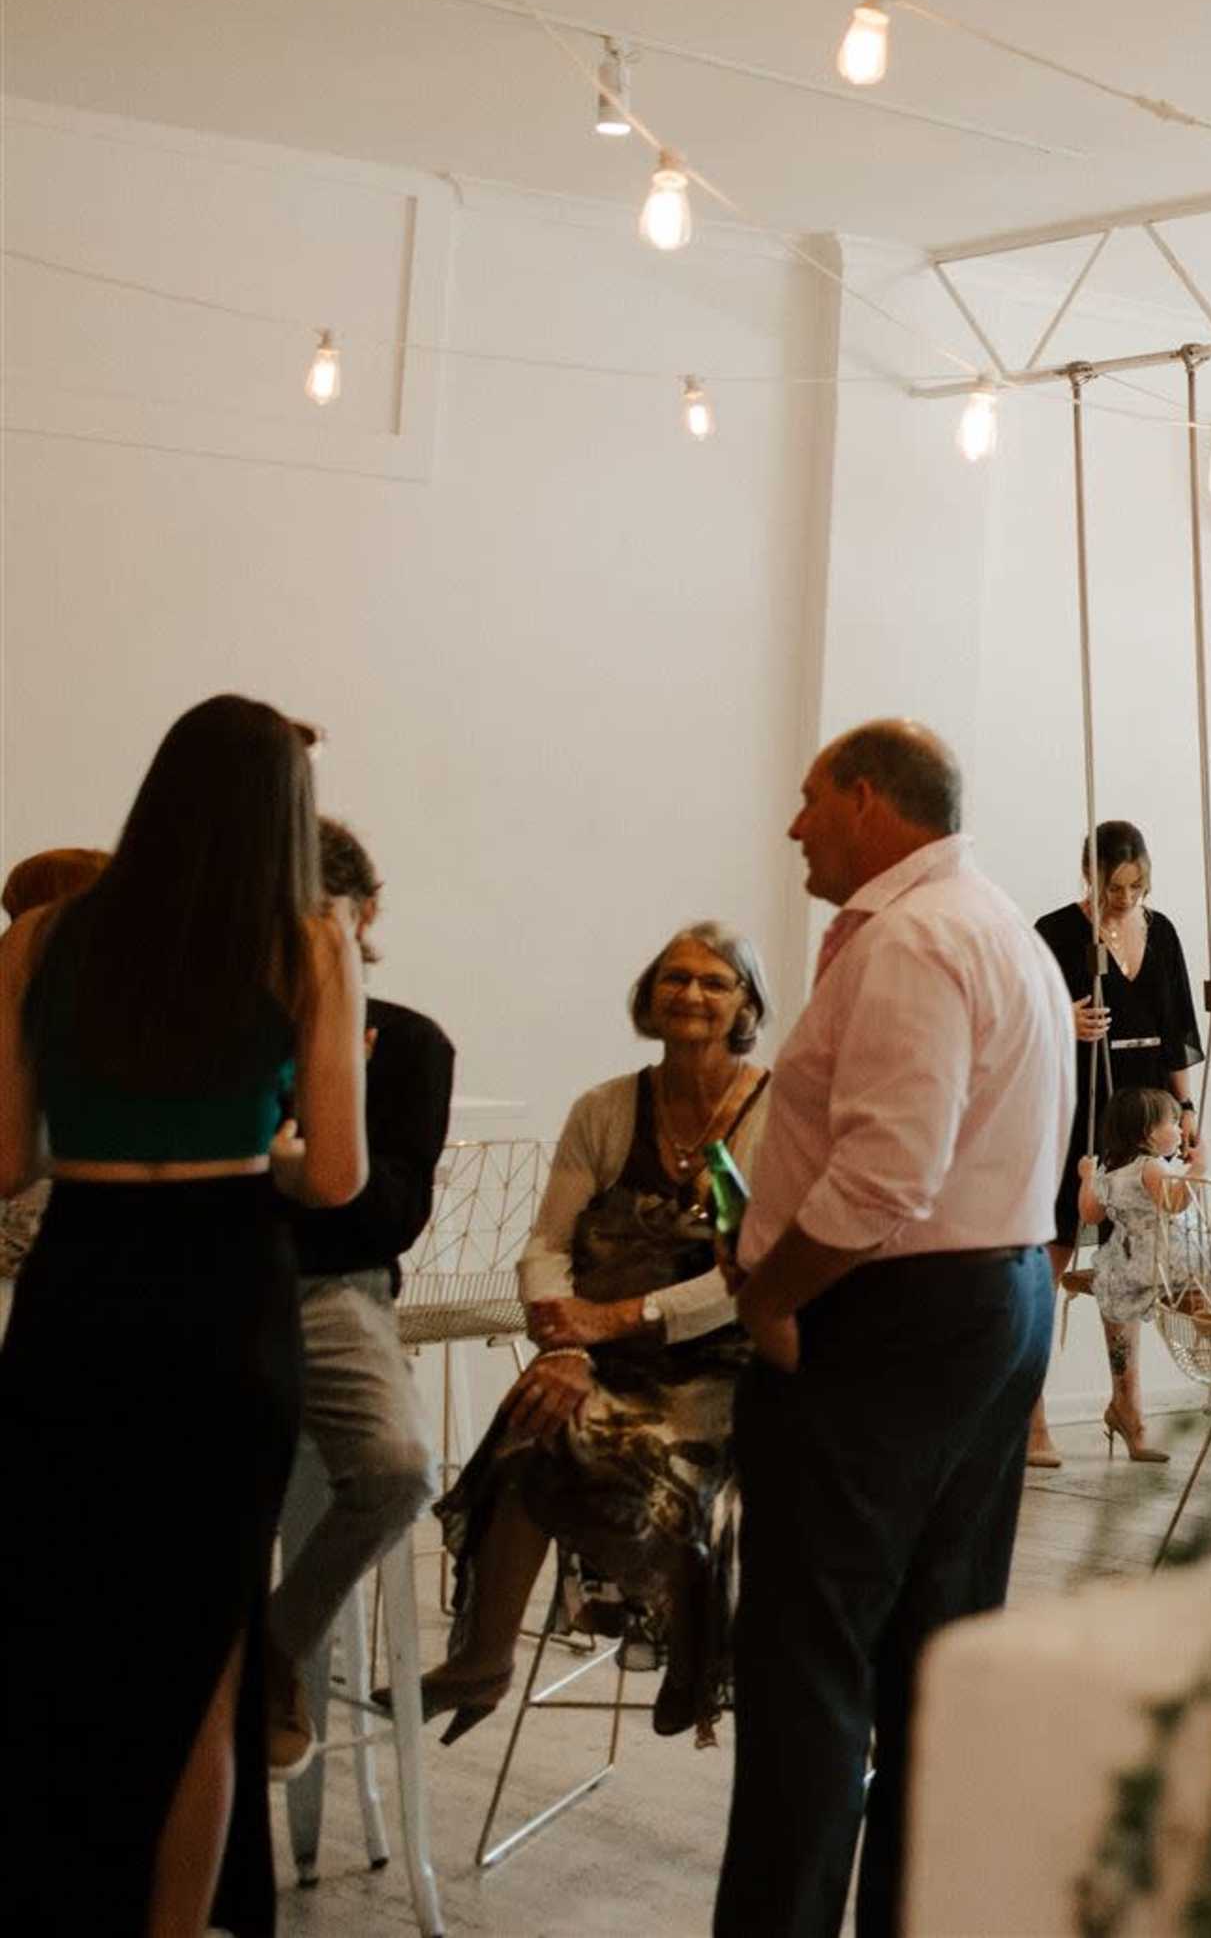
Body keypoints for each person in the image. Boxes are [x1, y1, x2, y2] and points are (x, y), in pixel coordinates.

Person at [0, 694, 366, 1934]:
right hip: (223, 1296)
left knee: (66, 1622)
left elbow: (3, 1161)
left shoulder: (42, 937)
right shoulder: (308, 946)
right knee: (206, 1653)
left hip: (79, 1289)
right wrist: (261, 1146)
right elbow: (337, 1179)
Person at [717, 720, 1070, 1938]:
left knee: (811, 1662)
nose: (795, 824)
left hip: (900, 1320)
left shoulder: (913, 941)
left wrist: (764, 1291)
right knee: (936, 1658)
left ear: (869, 801)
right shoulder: (1000, 927)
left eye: (811, 799)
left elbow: (882, 1180)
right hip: (997, 1302)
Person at [420, 922, 774, 1743]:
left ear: (747, 1002)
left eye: (714, 981)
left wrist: (621, 1317)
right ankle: (484, 1657)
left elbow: (746, 1271)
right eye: (674, 977)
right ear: (650, 995)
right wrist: (568, 1343)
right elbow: (548, 1243)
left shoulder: (771, 1110)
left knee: (644, 1453)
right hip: (602, 1348)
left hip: (725, 1360)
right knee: (532, 1420)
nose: (690, 993)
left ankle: (696, 1647)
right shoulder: (608, 1108)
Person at [265, 818, 456, 1774]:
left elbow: (385, 1218)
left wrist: (302, 1163)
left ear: (362, 915)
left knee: (399, 1468)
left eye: (319, 914)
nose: (297, 937)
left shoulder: (413, 1044)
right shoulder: (225, 1027)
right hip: (218, 1278)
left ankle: (270, 1652)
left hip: (336, 1291)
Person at [1033, 822, 1204, 1467]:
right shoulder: (1054, 933)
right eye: (1115, 886)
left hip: (1140, 1111)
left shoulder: (1161, 934)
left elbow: (1176, 1027)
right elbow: (1018, 1017)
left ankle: (1127, 1401)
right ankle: (1033, 1413)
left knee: (1128, 1259)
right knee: (1050, 1257)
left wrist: (1184, 1109)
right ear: (1090, 876)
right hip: (1075, 1107)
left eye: (1138, 885)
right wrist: (1062, 1017)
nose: (1127, 898)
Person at [1075, 1082, 1196, 1432]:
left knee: (1122, 1317)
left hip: (1122, 1261)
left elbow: (1089, 1214)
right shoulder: (1153, 1168)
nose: (1179, 1128)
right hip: (1160, 1257)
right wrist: (1197, 1172)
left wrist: (1086, 1177)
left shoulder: (1108, 1171)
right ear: (1148, 1134)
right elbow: (1173, 1204)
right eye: (1172, 1122)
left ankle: (1122, 1403)